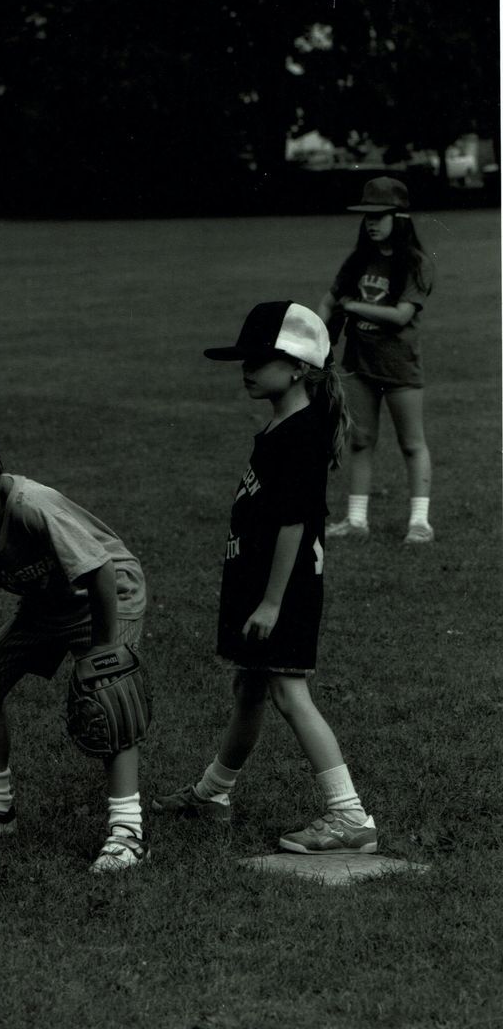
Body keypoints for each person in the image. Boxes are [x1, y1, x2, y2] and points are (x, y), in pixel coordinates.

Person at [152, 302, 377, 854]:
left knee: (285, 689)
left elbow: (295, 522)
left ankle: (349, 814)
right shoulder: (287, 423)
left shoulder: (299, 433)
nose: (247, 368)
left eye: (261, 358)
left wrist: (272, 603)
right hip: (259, 584)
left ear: (298, 366)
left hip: (284, 589)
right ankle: (213, 793)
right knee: (250, 688)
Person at [0, 410, 150, 873]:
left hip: (107, 595)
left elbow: (100, 570)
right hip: (47, 604)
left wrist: (103, 655)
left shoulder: (33, 505)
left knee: (112, 696)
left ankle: (128, 833)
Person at [317, 176, 435, 543]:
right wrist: (317, 336)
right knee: (361, 440)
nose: (371, 221)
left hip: (399, 365)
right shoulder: (358, 260)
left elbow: (401, 315)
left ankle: (419, 523)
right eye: (367, 215)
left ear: (399, 218)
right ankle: (356, 521)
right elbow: (328, 301)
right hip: (360, 362)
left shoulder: (415, 263)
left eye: (379, 215)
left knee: (411, 442)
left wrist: (353, 306)